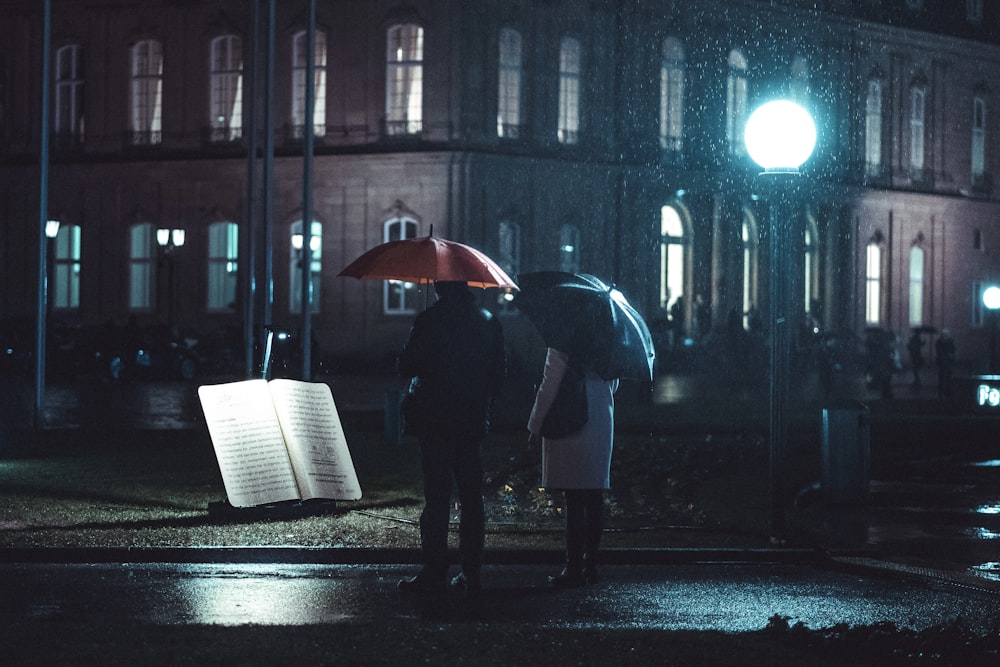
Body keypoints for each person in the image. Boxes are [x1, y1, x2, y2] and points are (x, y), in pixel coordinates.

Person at [396, 281, 506, 596]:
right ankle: (471, 572)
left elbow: (407, 366)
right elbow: (500, 374)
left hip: (435, 421)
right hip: (470, 423)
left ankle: (434, 570)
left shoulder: (430, 320)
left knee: (437, 498)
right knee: (471, 500)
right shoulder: (487, 320)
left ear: (440, 288)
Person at [527, 348, 619, 588]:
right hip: (601, 416)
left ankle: (574, 566)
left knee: (574, 497)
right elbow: (615, 383)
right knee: (594, 494)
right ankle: (591, 565)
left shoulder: (564, 340)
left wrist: (535, 425)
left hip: (572, 418)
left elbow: (551, 381)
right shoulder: (607, 339)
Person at [935, 329, 956, 399]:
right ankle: (941, 391)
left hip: (947, 362)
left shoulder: (950, 341)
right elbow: (938, 351)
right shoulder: (939, 342)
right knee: (941, 377)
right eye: (944, 334)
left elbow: (953, 349)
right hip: (942, 362)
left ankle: (947, 391)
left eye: (946, 335)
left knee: (948, 377)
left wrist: (951, 355)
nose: (945, 336)